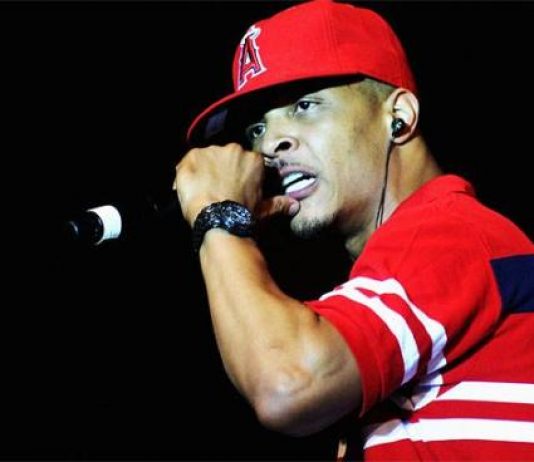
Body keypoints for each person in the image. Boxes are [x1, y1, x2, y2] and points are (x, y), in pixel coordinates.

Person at [173, 0, 534, 459]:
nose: (270, 144)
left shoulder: (451, 232)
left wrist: (218, 216)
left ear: (399, 116)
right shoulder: (410, 269)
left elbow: (288, 385)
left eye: (305, 105)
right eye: (257, 129)